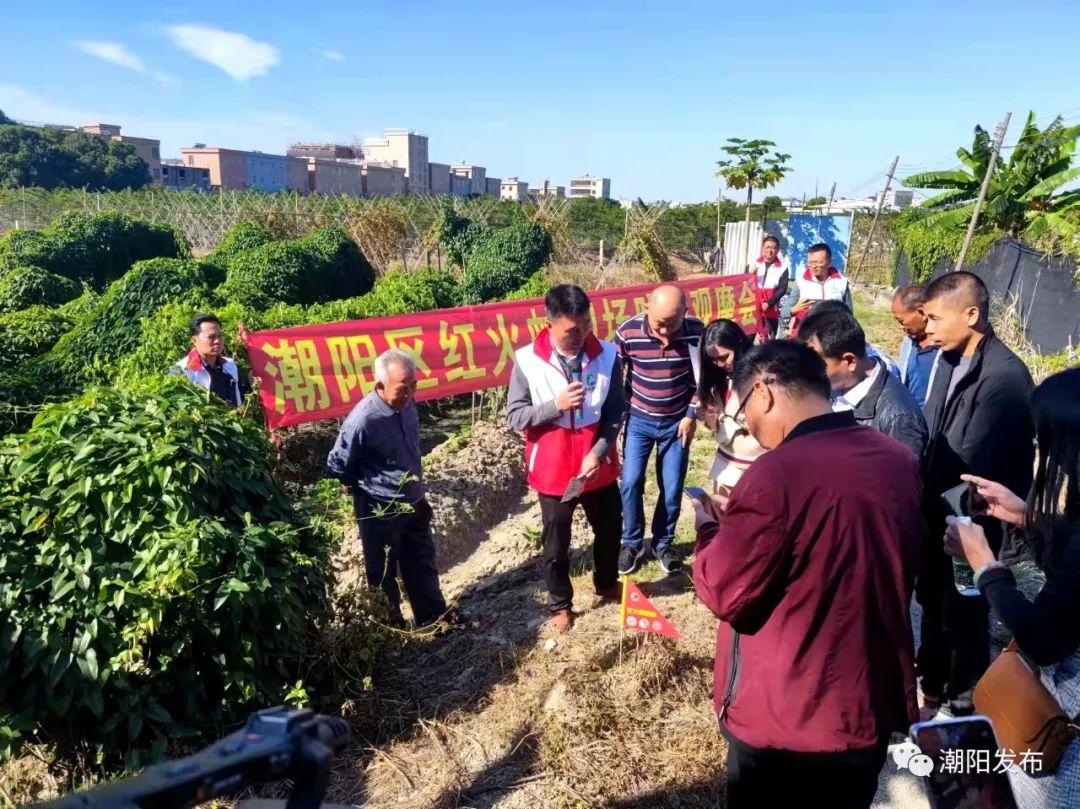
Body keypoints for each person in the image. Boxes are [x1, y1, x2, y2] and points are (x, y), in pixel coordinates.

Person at [691, 340, 923, 809]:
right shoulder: (895, 458)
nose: (749, 427)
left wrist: (710, 530)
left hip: (787, 723)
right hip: (866, 708)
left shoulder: (775, 475)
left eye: (743, 414)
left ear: (763, 393)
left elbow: (725, 591)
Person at [944, 368, 1080, 807]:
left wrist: (985, 566)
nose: (1044, 457)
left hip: (1065, 728)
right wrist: (1026, 517)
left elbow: (1045, 639)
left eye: (1047, 443)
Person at [918, 271, 1035, 717]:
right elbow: (932, 435)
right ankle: (931, 690)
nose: (927, 328)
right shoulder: (948, 360)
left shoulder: (1005, 378)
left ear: (971, 314)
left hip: (974, 523)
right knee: (931, 602)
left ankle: (964, 709)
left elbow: (970, 464)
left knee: (964, 614)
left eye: (934, 318)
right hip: (938, 513)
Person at [506, 284, 625, 631]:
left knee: (609, 528)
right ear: (550, 323)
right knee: (557, 542)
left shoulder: (607, 355)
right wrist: (553, 407)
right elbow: (515, 416)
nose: (582, 334)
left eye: (586, 325)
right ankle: (560, 604)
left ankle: (605, 582)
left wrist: (599, 451)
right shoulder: (527, 360)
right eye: (572, 329)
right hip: (555, 469)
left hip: (596, 466)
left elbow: (616, 410)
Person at [326, 349, 449, 628]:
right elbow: (337, 465)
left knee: (421, 561)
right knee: (382, 574)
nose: (410, 393)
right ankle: (392, 631)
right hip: (380, 507)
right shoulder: (363, 420)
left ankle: (433, 618)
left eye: (413, 386)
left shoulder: (407, 405)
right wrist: (361, 489)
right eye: (403, 388)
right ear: (380, 386)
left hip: (414, 500)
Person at [614, 284, 705, 576]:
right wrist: (618, 422)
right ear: (646, 307)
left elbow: (703, 380)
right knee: (630, 482)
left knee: (672, 485)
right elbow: (616, 381)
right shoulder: (627, 333)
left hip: (677, 423)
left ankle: (663, 543)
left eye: (673, 324)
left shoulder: (695, 332)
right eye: (659, 324)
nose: (666, 333)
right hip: (639, 421)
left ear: (685, 313)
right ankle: (632, 542)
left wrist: (691, 413)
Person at [798, 305, 927, 458]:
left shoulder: (898, 417)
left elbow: (898, 479)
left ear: (849, 361)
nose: (810, 371)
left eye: (817, 363)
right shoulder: (835, 386)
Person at [697, 318, 764, 497]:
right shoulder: (720, 376)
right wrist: (710, 417)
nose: (720, 364)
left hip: (757, 460)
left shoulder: (762, 373)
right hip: (728, 459)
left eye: (724, 357)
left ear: (738, 343)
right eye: (714, 360)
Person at [171, 313, 249, 408]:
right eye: (211, 337)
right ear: (195, 340)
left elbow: (241, 397)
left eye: (220, 336)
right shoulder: (182, 371)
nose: (217, 341)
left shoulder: (230, 365)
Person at [892, 283, 940, 407]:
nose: (901, 327)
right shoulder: (909, 343)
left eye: (901, 321)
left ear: (922, 313)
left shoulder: (944, 348)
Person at [789, 243, 852, 333]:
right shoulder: (801, 282)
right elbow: (784, 312)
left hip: (833, 334)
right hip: (807, 334)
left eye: (819, 262)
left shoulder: (841, 282)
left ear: (829, 262)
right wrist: (793, 310)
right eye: (811, 262)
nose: (814, 266)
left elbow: (849, 313)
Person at [752, 235, 790, 339]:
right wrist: (751, 274)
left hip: (771, 308)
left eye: (773, 248)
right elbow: (746, 283)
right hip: (754, 307)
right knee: (748, 336)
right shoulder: (754, 264)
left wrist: (769, 303)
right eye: (767, 247)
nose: (770, 250)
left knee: (769, 338)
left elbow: (782, 289)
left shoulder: (783, 267)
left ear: (777, 250)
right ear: (762, 249)